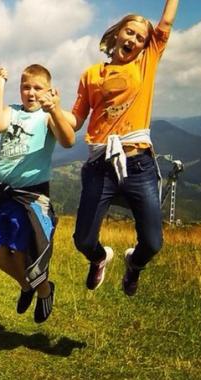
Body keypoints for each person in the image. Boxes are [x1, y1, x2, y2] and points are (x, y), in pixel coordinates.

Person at [70, 0, 179, 296]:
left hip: (138, 163)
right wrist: (53, 109)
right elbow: (75, 120)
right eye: (128, 32)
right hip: (100, 167)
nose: (132, 39)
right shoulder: (91, 75)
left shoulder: (146, 61)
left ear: (146, 45)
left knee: (153, 243)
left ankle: (135, 264)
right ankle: (99, 258)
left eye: (140, 37)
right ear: (117, 33)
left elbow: (166, 23)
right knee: (82, 241)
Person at [0, 65, 75, 323]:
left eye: (37, 88)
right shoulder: (12, 111)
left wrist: (54, 108)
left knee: (20, 252)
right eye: (25, 87)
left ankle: (43, 288)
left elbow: (69, 140)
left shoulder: (48, 116)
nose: (30, 93)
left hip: (29, 195)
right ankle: (28, 285)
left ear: (48, 90)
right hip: (1, 194)